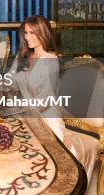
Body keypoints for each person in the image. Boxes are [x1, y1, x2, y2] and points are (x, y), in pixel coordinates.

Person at [9, 15, 97, 180]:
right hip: (25, 113)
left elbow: (46, 98)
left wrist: (21, 110)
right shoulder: (22, 56)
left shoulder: (50, 61)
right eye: (26, 33)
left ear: (43, 33)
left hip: (45, 117)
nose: (28, 37)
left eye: (33, 33)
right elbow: (10, 81)